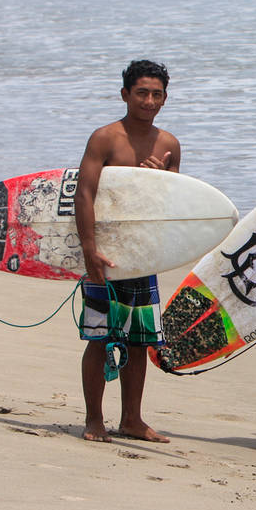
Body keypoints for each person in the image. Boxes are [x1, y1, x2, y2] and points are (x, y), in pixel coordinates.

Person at [76, 59, 180, 443]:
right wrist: (89, 249)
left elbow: (170, 207)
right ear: (125, 95)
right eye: (142, 92)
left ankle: (132, 419)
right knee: (100, 336)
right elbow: (84, 194)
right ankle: (93, 420)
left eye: (156, 94)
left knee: (140, 341)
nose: (149, 100)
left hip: (142, 255)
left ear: (165, 98)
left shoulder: (168, 145)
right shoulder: (105, 138)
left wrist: (154, 178)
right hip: (105, 252)